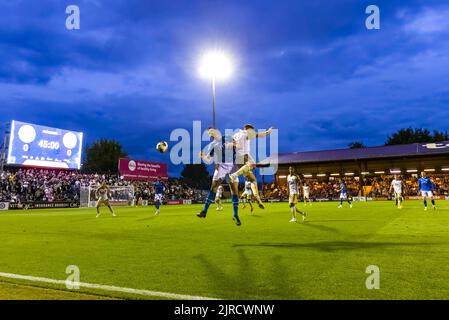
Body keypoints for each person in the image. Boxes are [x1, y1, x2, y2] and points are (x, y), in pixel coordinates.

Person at [197, 128, 242, 226]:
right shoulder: (213, 145)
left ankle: (236, 215)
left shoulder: (228, 137)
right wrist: (202, 156)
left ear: (216, 130)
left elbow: (239, 146)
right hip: (221, 166)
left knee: (234, 190)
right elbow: (208, 159)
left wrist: (233, 144)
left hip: (232, 166)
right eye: (209, 132)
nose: (211, 132)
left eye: (212, 130)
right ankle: (204, 211)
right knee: (213, 187)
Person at [229, 124, 273, 209]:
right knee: (252, 164)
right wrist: (268, 132)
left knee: (253, 179)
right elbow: (259, 135)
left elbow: (230, 144)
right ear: (248, 129)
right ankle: (234, 175)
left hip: (237, 159)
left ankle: (257, 198)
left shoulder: (236, 135)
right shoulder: (246, 133)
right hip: (244, 156)